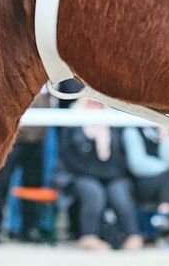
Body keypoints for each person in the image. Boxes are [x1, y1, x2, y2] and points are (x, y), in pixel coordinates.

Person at [57, 101, 142, 251]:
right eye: (91, 104)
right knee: (93, 192)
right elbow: (68, 158)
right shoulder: (73, 126)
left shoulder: (114, 126)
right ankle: (89, 236)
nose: (95, 107)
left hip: (112, 175)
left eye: (99, 104)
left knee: (120, 193)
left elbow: (122, 158)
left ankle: (133, 235)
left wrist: (105, 145)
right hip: (81, 174)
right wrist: (91, 143)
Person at [121, 123, 169, 235]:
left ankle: (164, 212)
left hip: (166, 182)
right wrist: (168, 166)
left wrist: (165, 136)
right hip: (141, 182)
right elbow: (138, 165)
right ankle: (164, 216)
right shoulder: (133, 128)